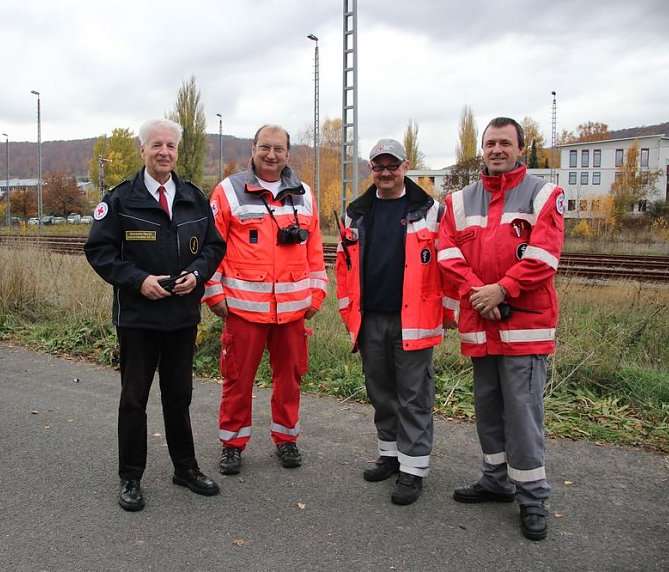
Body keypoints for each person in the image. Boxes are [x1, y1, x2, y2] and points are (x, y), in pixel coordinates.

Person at [84, 118, 226, 512]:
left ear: (177, 151)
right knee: (134, 399)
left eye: (171, 146)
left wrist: (197, 275)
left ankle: (185, 468)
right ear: (142, 150)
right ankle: (130, 477)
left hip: (182, 316)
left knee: (179, 397)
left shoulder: (194, 198)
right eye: (157, 145)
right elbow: (99, 251)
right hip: (138, 318)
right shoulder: (120, 200)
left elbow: (214, 247)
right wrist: (138, 280)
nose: (164, 152)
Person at [437, 117, 565, 540]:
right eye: (490, 142)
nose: (496, 149)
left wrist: (502, 290)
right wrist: (480, 293)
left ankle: (533, 497)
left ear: (520, 149)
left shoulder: (544, 195)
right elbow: (447, 253)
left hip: (523, 327)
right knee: (488, 409)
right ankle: (495, 480)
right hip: (481, 322)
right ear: (483, 148)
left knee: (523, 413)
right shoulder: (459, 201)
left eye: (505, 143)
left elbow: (544, 256)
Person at [335, 138, 456, 506]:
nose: (385, 172)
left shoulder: (431, 211)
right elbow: (343, 266)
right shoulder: (356, 213)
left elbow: (449, 265)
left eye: (392, 165)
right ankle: (389, 455)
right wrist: (349, 314)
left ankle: (413, 469)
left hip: (414, 320)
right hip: (371, 319)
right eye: (379, 166)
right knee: (381, 392)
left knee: (413, 396)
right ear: (371, 170)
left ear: (405, 166)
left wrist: (447, 314)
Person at [204, 124, 328, 475]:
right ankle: (232, 445)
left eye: (278, 149)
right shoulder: (228, 191)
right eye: (265, 147)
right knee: (237, 380)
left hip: (292, 310)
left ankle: (286, 439)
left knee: (290, 379)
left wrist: (317, 293)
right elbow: (211, 246)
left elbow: (315, 250)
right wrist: (213, 291)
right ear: (253, 149)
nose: (271, 155)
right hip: (243, 309)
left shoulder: (304, 194)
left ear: (288, 153)